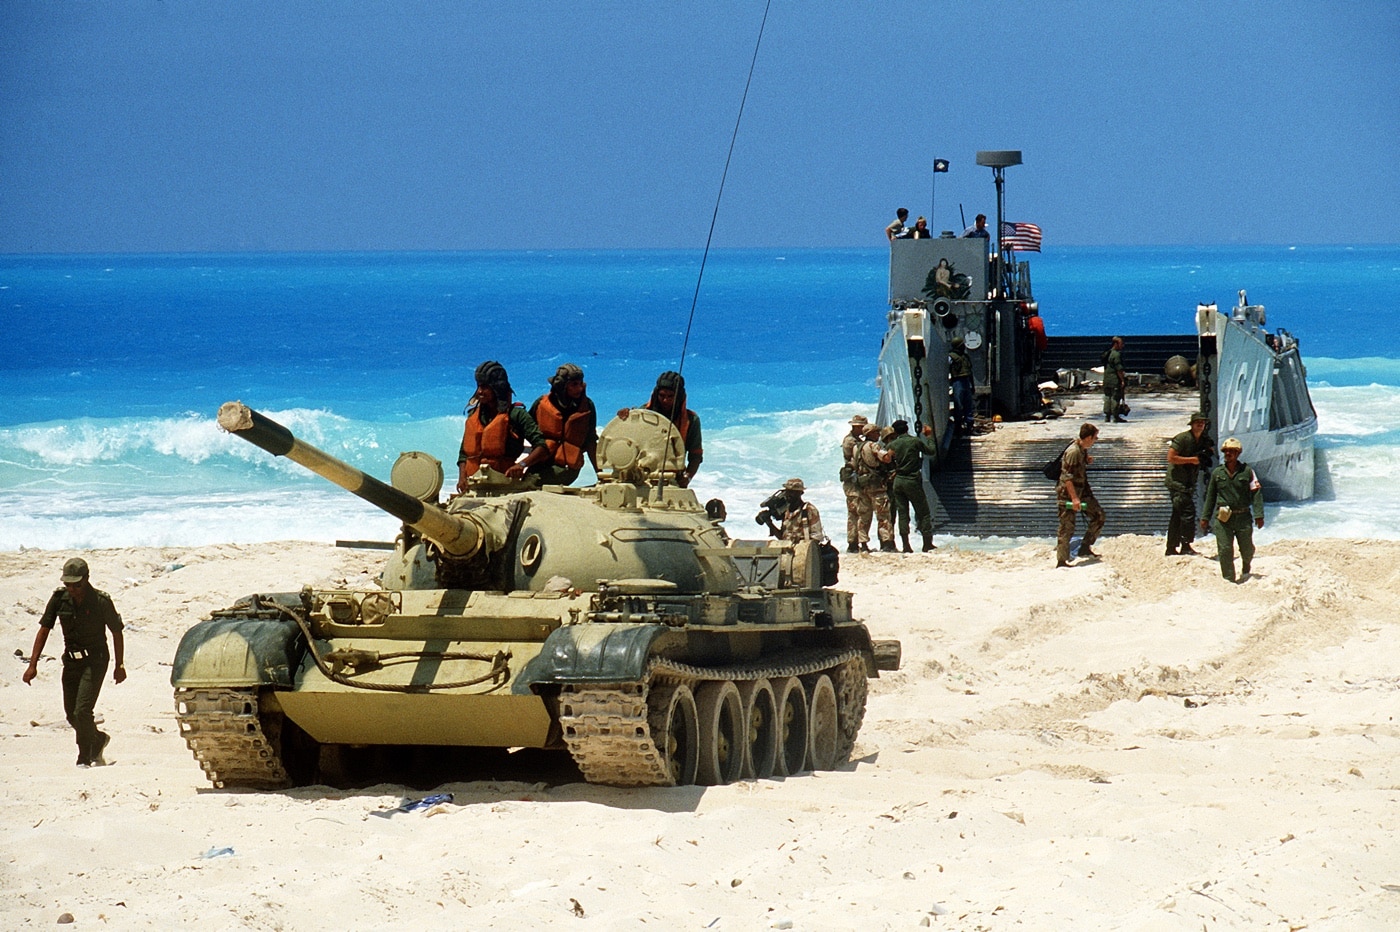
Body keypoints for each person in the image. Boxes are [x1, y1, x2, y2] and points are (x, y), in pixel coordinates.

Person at [22, 558, 126, 767]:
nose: (72, 589)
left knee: (82, 711)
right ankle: (98, 740)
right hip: (71, 661)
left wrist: (119, 665)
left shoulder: (101, 601)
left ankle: (84, 756)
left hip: (95, 661)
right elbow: (44, 630)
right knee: (71, 715)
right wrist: (33, 665)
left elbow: (116, 632)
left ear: (86, 580)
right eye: (68, 584)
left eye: (76, 584)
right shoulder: (59, 599)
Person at [457, 360, 551, 492]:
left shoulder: (516, 415)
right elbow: (463, 454)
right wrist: (462, 478)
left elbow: (542, 447)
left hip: (505, 484)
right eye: (478, 386)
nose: (479, 391)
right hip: (475, 485)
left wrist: (522, 465)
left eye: (485, 387)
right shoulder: (474, 415)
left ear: (497, 388)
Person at [618, 371, 703, 487]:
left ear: (678, 396)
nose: (665, 401)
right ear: (656, 394)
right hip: (640, 475)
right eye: (662, 396)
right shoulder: (643, 414)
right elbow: (625, 442)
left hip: (671, 478)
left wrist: (687, 477)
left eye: (670, 396)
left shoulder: (691, 420)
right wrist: (625, 418)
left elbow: (696, 455)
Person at [1201, 437, 1264, 582]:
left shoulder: (1247, 472)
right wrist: (1205, 518)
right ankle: (1229, 579)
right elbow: (1210, 497)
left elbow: (1256, 493)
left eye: (1232, 451)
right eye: (1226, 451)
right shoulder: (1218, 473)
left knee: (1247, 549)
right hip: (1224, 518)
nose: (1228, 454)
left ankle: (1246, 567)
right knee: (1225, 550)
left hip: (1243, 517)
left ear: (1238, 453)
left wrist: (1259, 515)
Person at [528, 363, 599, 486]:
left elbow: (591, 442)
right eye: (574, 384)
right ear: (562, 386)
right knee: (526, 483)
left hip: (567, 468)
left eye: (580, 383)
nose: (579, 388)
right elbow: (524, 430)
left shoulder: (587, 407)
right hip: (539, 463)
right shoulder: (540, 404)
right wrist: (521, 463)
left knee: (533, 484)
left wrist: (599, 473)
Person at [1056, 422, 1106, 567]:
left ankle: (1085, 547)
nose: (1096, 441)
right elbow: (1067, 478)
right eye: (1095, 438)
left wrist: (1086, 460)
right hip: (1068, 494)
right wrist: (1074, 498)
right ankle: (1061, 560)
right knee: (1067, 527)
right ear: (1089, 437)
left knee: (1099, 516)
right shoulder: (1073, 452)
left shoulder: (1081, 449)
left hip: (1082, 491)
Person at [886, 419, 938, 552]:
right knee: (923, 513)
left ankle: (906, 546)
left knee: (903, 513)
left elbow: (887, 459)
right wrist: (929, 437)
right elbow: (931, 451)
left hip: (898, 481)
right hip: (912, 480)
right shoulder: (914, 441)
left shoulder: (893, 444)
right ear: (907, 429)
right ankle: (927, 544)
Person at [1165, 411, 1212, 556]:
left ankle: (1171, 548)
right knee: (1187, 512)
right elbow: (1171, 458)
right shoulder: (1183, 438)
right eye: (1198, 422)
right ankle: (1185, 545)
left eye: (1203, 423)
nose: (1200, 425)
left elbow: (1210, 450)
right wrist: (1192, 460)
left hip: (1188, 482)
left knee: (1178, 514)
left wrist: (1207, 454)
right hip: (1177, 482)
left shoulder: (1202, 439)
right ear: (1191, 424)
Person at [855, 423, 896, 551]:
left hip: (862, 484)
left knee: (864, 516)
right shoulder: (873, 446)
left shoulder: (856, 447)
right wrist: (891, 452)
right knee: (883, 515)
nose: (878, 435)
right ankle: (886, 543)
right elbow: (886, 458)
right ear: (871, 434)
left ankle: (863, 543)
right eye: (876, 432)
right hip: (876, 485)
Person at [760, 478, 824, 543]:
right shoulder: (786, 512)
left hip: (803, 551)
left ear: (801, 493)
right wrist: (769, 523)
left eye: (793, 492)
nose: (789, 495)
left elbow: (816, 539)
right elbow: (782, 538)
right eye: (787, 491)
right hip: (787, 551)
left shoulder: (809, 510)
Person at [841, 415, 869, 552]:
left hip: (852, 481)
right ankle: (854, 543)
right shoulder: (851, 442)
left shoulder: (854, 440)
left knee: (855, 513)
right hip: (852, 482)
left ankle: (854, 543)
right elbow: (854, 459)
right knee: (857, 513)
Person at [948, 336, 975, 434]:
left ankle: (969, 426)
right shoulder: (951, 357)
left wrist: (972, 386)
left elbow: (970, 372)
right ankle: (958, 427)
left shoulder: (965, 356)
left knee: (968, 405)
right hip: (957, 381)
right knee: (958, 405)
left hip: (966, 381)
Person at [1101, 337, 1127, 422]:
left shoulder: (1107, 353)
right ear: (1116, 344)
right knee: (1115, 398)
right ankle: (1116, 417)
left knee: (1107, 398)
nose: (1122, 346)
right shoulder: (1116, 355)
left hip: (1106, 379)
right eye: (1121, 344)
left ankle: (1107, 417)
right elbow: (1119, 369)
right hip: (1114, 380)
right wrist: (1122, 380)